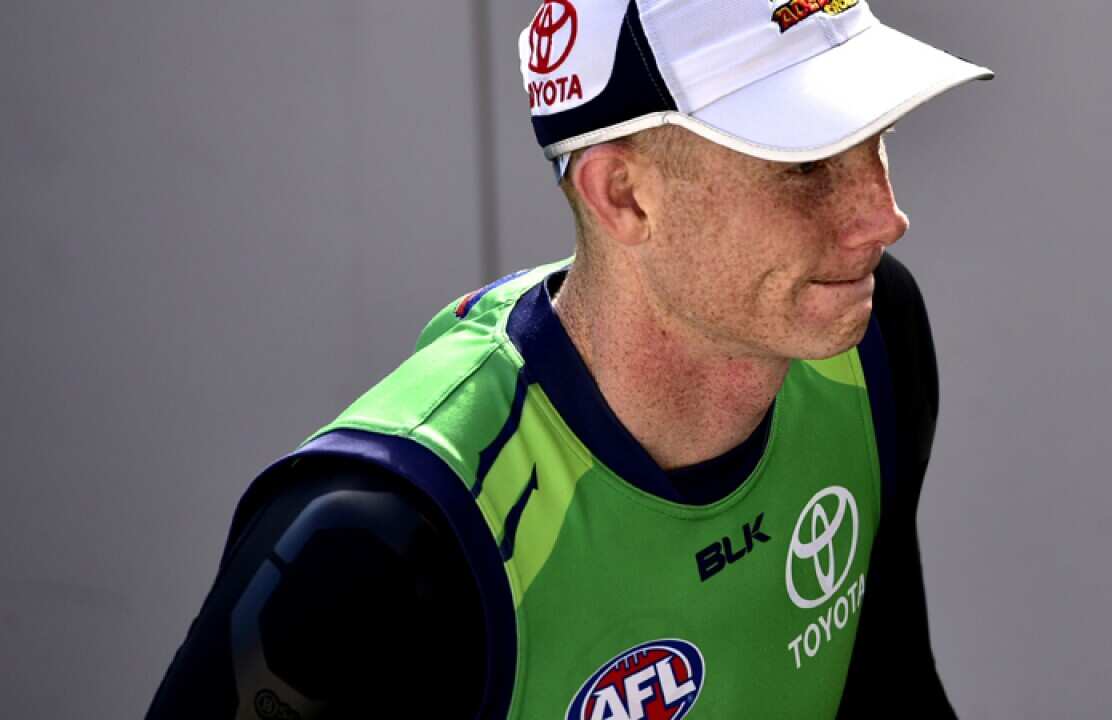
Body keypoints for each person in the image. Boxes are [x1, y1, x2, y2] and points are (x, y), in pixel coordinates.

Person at [147, 1, 991, 718]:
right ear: (623, 196)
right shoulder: (375, 542)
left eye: (874, 137)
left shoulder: (869, 342)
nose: (882, 217)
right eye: (803, 164)